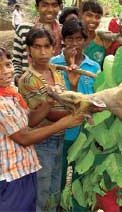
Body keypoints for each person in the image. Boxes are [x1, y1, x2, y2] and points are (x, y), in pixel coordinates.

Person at [0, 47, 84, 212]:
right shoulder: (2, 102)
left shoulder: (12, 93)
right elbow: (23, 138)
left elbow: (29, 120)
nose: (6, 71)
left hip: (24, 169)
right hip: (9, 176)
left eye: (8, 64)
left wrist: (48, 103)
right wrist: (62, 124)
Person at [50, 18, 100, 211]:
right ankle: (58, 205)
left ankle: (79, 207)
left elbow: (96, 98)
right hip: (61, 130)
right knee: (60, 174)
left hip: (85, 132)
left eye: (79, 39)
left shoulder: (93, 67)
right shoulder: (54, 64)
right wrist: (70, 81)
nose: (74, 44)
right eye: (70, 39)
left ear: (84, 41)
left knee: (82, 176)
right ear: (64, 40)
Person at [18, 27, 70, 212]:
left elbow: (63, 101)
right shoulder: (28, 79)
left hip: (59, 136)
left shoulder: (55, 71)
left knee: (55, 187)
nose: (42, 52)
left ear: (53, 48)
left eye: (47, 46)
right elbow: (48, 114)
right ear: (28, 50)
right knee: (41, 190)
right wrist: (80, 110)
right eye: (37, 47)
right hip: (42, 141)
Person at [12, 0, 62, 86]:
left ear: (60, 7)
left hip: (56, 88)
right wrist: (18, 79)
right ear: (37, 7)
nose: (50, 10)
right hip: (28, 87)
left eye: (54, 5)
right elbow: (16, 60)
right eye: (45, 5)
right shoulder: (23, 29)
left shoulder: (63, 32)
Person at [82, 0, 108, 69]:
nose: (93, 20)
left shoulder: (103, 40)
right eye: (89, 15)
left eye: (97, 17)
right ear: (81, 15)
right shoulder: (74, 39)